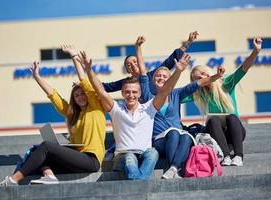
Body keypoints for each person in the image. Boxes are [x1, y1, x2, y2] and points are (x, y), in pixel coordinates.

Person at [0, 45, 106, 187]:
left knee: (46, 146)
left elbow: (84, 80)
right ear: (74, 99)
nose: (80, 97)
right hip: (77, 158)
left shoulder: (96, 107)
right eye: (76, 95)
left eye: (83, 94)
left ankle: (12, 180)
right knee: (36, 155)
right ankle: (50, 176)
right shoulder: (73, 114)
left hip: (91, 160)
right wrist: (37, 77)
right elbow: (54, 96)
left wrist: (74, 56)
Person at [78, 49, 190, 180]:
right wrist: (89, 70)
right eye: (127, 92)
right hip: (123, 156)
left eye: (134, 92)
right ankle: (140, 186)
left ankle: (137, 185)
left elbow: (165, 91)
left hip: (144, 154)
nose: (131, 95)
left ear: (140, 94)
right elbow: (101, 91)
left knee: (153, 153)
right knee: (130, 158)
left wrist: (177, 72)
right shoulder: (116, 109)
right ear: (122, 94)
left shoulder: (148, 108)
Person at [135, 35, 225, 179]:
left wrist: (216, 76)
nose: (162, 78)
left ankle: (174, 168)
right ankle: (174, 167)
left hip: (178, 137)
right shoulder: (147, 95)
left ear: (170, 79)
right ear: (153, 80)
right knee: (174, 133)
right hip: (159, 140)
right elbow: (142, 71)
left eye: (165, 76)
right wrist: (138, 47)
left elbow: (199, 83)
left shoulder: (176, 93)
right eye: (158, 76)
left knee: (187, 137)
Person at [188, 37, 263, 166]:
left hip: (235, 133)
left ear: (208, 72)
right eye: (197, 79)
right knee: (213, 119)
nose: (201, 78)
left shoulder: (225, 83)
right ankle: (226, 156)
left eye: (202, 73)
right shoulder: (199, 94)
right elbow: (175, 95)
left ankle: (238, 156)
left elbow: (243, 69)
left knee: (232, 117)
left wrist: (255, 51)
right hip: (216, 136)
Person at [103, 31, 199, 94]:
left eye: (135, 61)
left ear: (141, 62)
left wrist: (189, 41)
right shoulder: (126, 82)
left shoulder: (154, 75)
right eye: (129, 65)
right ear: (127, 70)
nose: (133, 64)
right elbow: (106, 87)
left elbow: (172, 58)